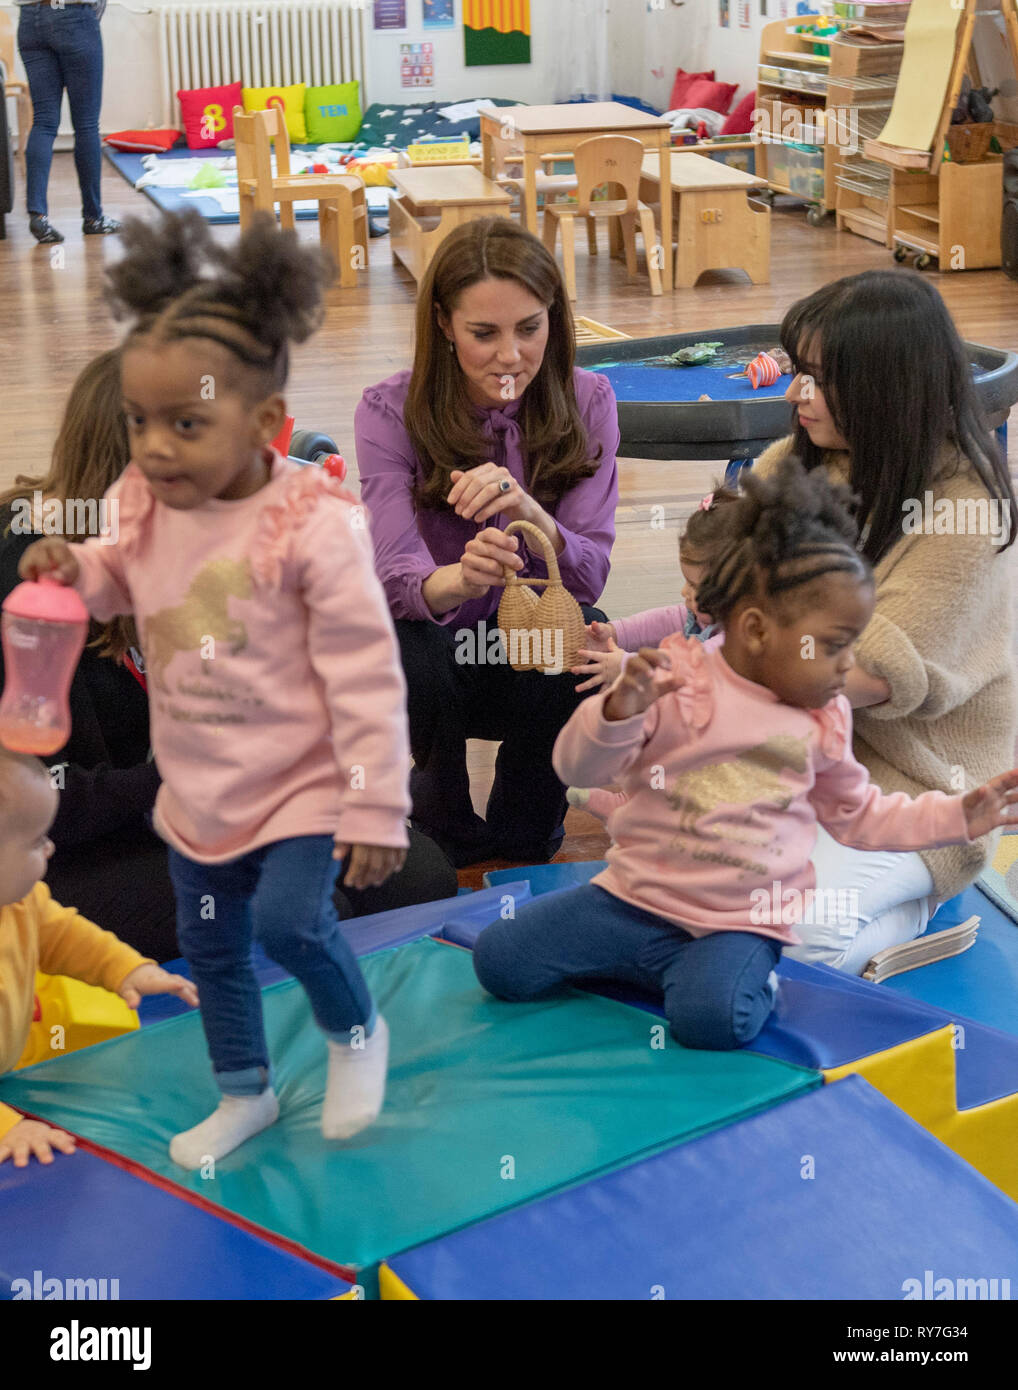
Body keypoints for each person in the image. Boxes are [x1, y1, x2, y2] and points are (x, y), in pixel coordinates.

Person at [20, 208, 412, 1168]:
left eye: (185, 424)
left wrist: (375, 808)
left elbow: (367, 675)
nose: (153, 447)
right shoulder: (144, 503)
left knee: (287, 921)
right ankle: (246, 1092)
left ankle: (357, 1032)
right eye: (139, 421)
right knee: (214, 950)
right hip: (197, 791)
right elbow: (124, 575)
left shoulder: (311, 530)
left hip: (302, 786)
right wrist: (77, 568)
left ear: (267, 424)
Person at [473, 458, 1018, 1050]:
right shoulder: (678, 675)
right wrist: (616, 714)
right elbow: (576, 770)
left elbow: (863, 815)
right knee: (500, 961)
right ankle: (653, 965)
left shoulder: (824, 714)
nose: (847, 666)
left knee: (712, 1022)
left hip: (736, 924)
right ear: (757, 630)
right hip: (633, 899)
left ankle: (703, 974)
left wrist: (959, 816)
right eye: (834, 647)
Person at [0, 352, 456, 964]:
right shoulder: (31, 584)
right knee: (304, 913)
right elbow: (37, 800)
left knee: (417, 877)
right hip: (64, 850)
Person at [754, 270, 1018, 974]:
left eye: (815, 377)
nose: (793, 394)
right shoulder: (799, 461)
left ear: (881, 386)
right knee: (672, 894)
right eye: (796, 371)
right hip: (791, 757)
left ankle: (914, 912)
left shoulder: (968, 512)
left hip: (915, 787)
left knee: (802, 942)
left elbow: (858, 674)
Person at [355, 217, 620, 868]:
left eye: (530, 327)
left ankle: (523, 841)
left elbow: (587, 580)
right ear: (444, 324)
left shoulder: (590, 399)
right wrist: (461, 579)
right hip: (434, 660)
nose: (511, 355)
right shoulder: (389, 410)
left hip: (521, 657)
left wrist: (530, 510)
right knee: (409, 644)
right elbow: (393, 577)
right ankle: (445, 838)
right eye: (484, 333)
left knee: (585, 638)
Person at [0, 750, 197, 1168]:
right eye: (36, 841)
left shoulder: (21, 902)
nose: (51, 847)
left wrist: (127, 968)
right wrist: (7, 1127)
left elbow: (64, 935)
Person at [567, 486, 736, 824]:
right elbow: (669, 618)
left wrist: (626, 666)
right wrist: (617, 632)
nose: (684, 592)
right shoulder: (708, 615)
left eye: (695, 586)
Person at [14, 0, 120, 244]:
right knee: (86, 125)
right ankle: (94, 218)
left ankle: (38, 215)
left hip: (30, 17)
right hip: (73, 14)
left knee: (43, 121)